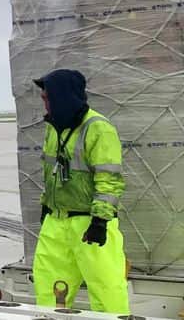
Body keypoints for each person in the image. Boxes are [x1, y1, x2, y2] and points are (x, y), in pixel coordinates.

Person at [32, 69, 128, 313]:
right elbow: (51, 172)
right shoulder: (54, 128)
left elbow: (109, 179)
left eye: (47, 98)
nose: (45, 103)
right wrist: (46, 204)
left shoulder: (98, 128)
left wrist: (100, 220)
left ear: (63, 96)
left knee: (106, 289)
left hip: (90, 221)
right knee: (49, 288)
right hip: (57, 220)